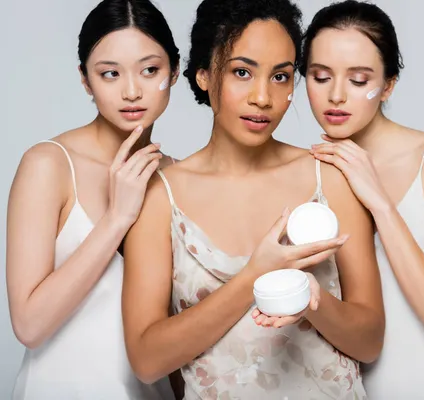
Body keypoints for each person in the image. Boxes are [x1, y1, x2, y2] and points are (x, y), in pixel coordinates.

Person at [121, 1, 385, 399]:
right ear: (205, 76)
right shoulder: (160, 196)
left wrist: (315, 302)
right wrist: (253, 277)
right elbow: (146, 360)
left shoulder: (328, 176)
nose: (263, 97)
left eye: (280, 76)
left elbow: (369, 342)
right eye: (242, 72)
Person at [302, 1, 424, 398]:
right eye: (320, 76)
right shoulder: (305, 173)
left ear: (388, 85)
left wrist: (380, 203)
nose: (336, 95)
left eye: (359, 80)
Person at [6, 0, 180, 398]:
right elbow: (29, 326)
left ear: (174, 70)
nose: (132, 90)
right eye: (109, 74)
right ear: (85, 80)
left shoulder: (180, 177)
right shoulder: (48, 165)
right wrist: (118, 218)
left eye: (150, 70)